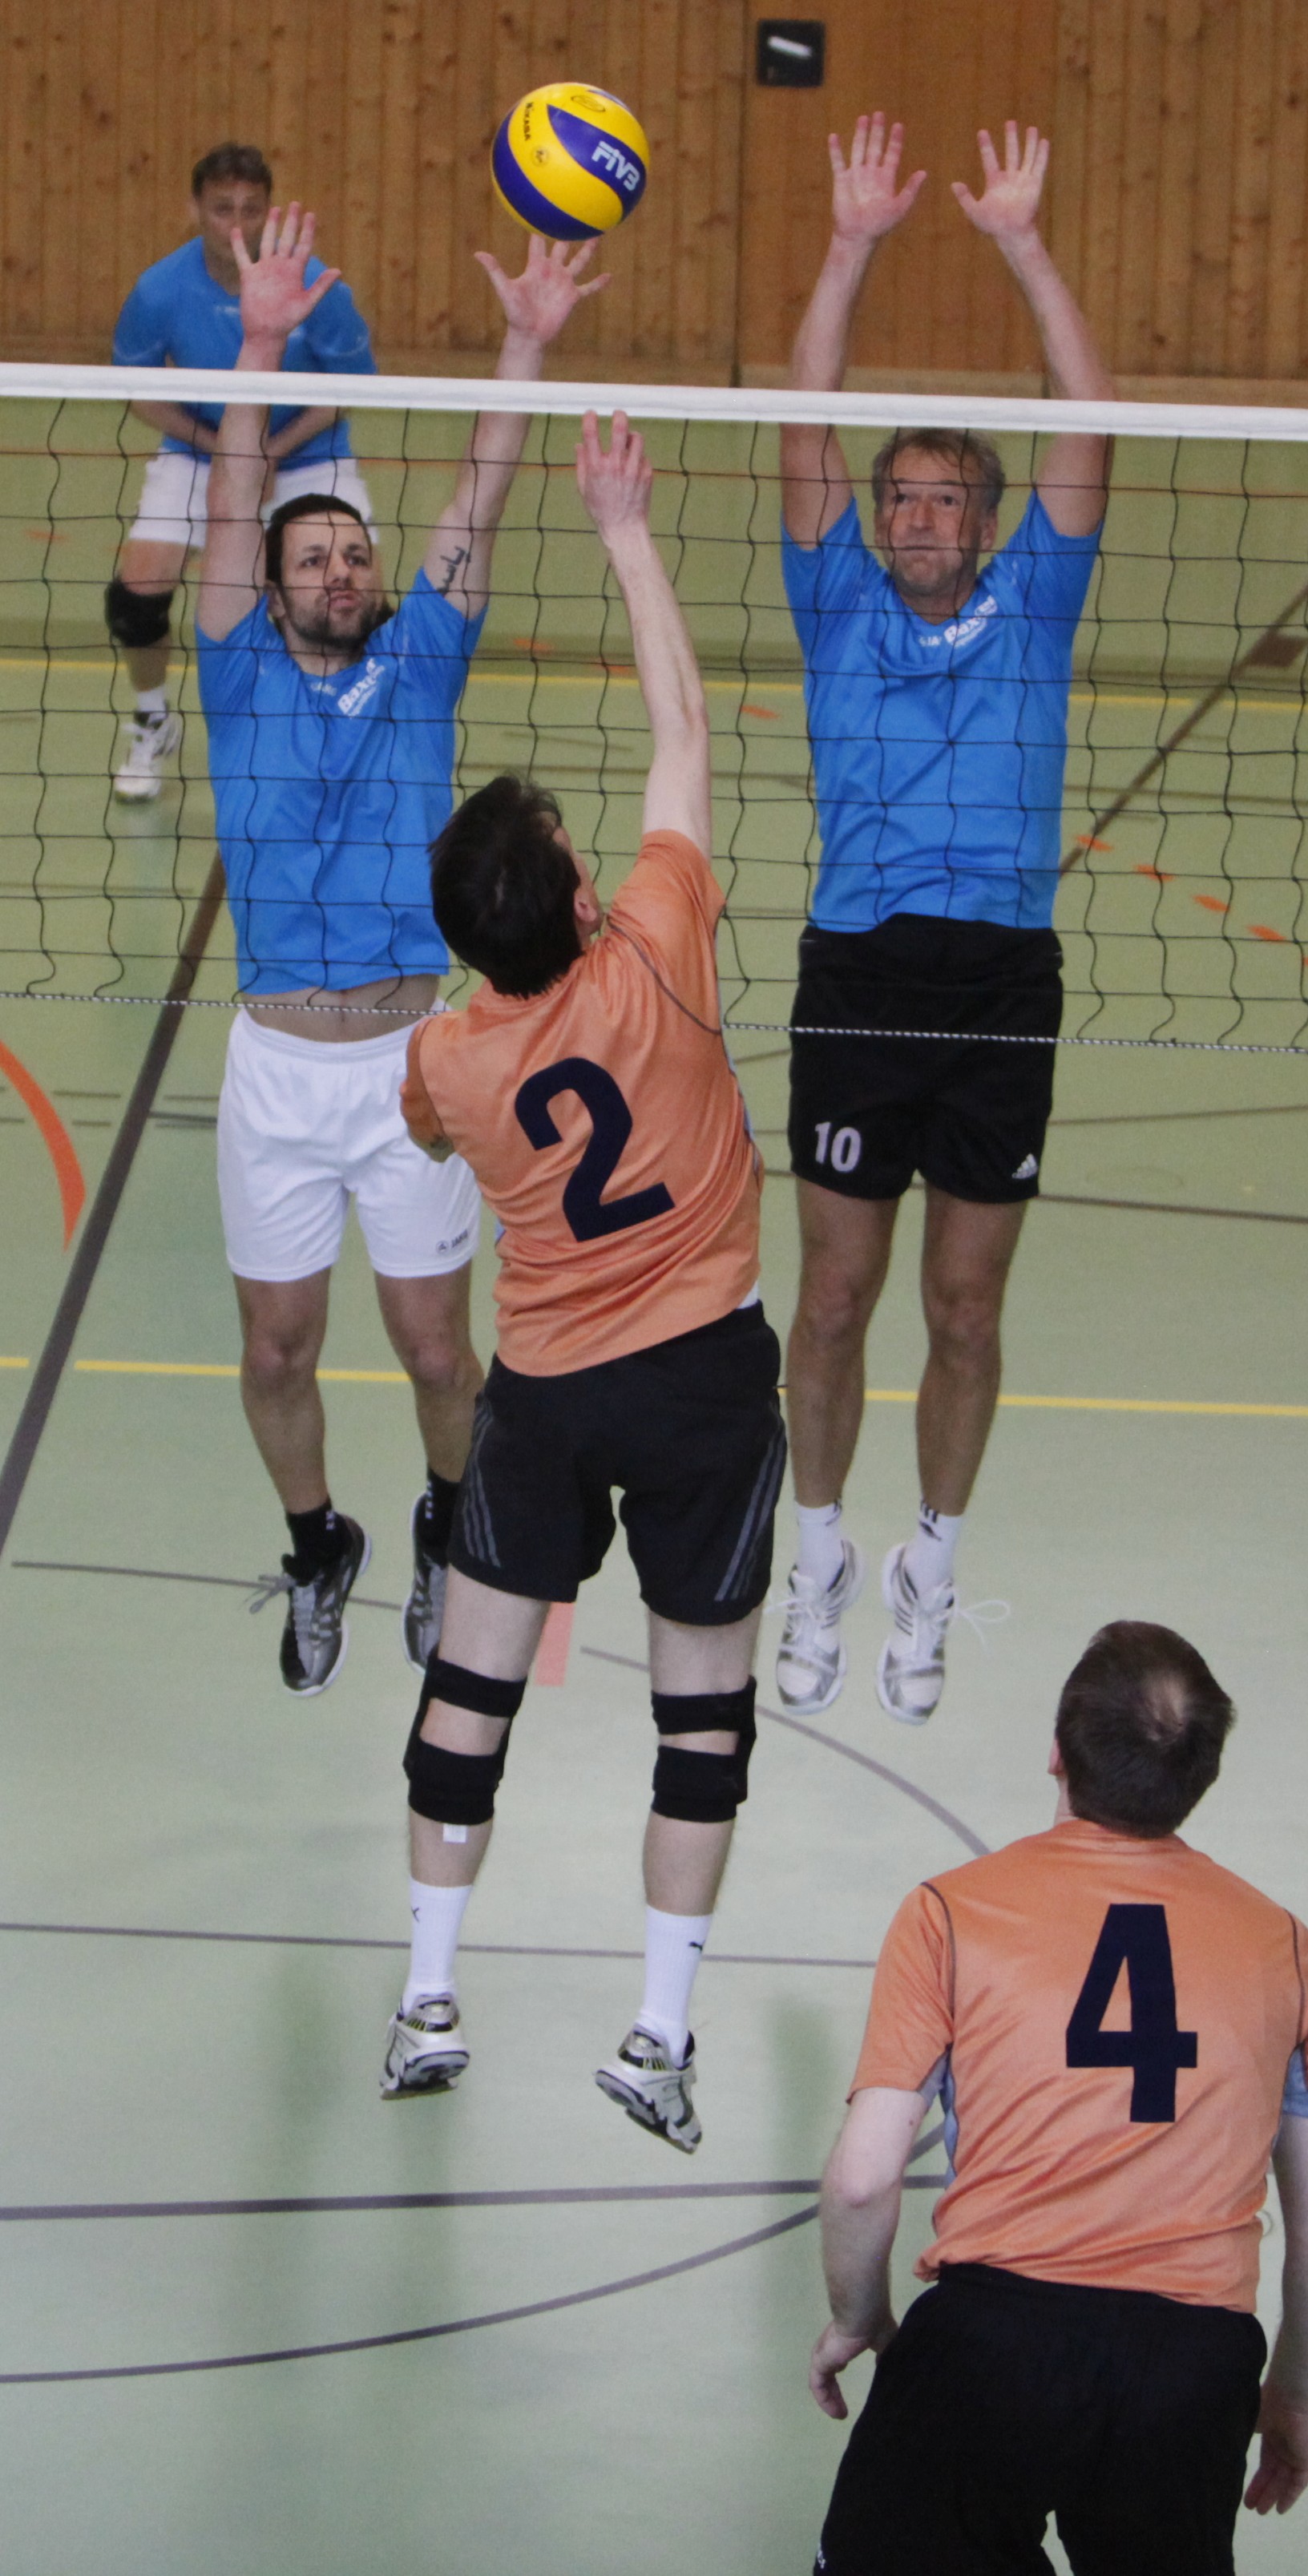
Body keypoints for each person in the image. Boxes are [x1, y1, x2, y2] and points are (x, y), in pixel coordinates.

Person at [383, 410, 784, 2149]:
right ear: (577, 893)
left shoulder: (450, 1058)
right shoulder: (659, 945)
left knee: (469, 1696)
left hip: (544, 1393)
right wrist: (623, 528)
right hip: (700, 1377)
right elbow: (683, 729)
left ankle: (426, 1999)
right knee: (702, 1722)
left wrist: (481, 1018)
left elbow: (422, 1129)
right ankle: (656, 2035)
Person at [196, 206, 606, 1694]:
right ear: (269, 586)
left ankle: (445, 1526)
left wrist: (524, 341)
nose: (339, 569)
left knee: (440, 1350)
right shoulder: (236, 669)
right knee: (278, 1349)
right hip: (275, 1069)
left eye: (354, 552)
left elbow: (479, 498)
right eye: (311, 556)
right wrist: (259, 341)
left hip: (413, 1069)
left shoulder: (421, 659)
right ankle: (320, 1545)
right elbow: (233, 491)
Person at [776, 117, 1113, 1725]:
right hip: (859, 973)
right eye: (899, 496)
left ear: (985, 521)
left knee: (965, 1308)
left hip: (1000, 986)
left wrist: (1022, 247)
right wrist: (849, 245)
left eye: (946, 498)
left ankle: (930, 1565)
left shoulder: (1037, 600)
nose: (917, 516)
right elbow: (801, 419)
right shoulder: (835, 598)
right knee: (834, 1297)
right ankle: (818, 1558)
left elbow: (1090, 420)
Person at [809, 1620, 1308, 2574]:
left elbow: (862, 2180)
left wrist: (860, 2319)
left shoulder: (948, 1913)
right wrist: (1294, 2395)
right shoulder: (1288, 1948)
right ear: (1201, 1778)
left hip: (992, 2340)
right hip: (1191, 2366)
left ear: (1057, 1752)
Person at [108, 142, 377, 801]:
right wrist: (224, 449)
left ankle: (340, 742)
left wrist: (271, 452)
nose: (238, 224)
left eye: (251, 209)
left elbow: (353, 387)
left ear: (270, 211)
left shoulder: (318, 286)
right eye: (222, 209)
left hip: (307, 457)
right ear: (195, 209)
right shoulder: (160, 290)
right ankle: (152, 722)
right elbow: (136, 390)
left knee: (353, 602)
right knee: (134, 598)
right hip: (200, 454)